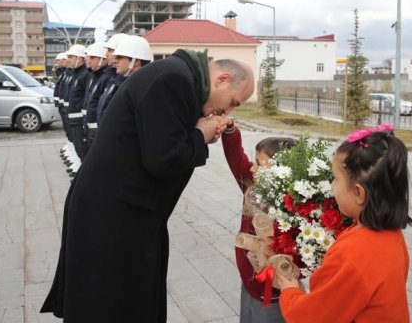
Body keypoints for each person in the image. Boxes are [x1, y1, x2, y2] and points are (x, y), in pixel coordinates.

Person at [41, 49, 255, 321]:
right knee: (111, 304)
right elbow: (163, 159)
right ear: (222, 79)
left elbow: (162, 141)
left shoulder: (178, 75)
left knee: (127, 299)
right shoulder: (174, 80)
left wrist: (197, 134)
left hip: (123, 212)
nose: (228, 111)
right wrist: (199, 135)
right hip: (112, 217)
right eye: (233, 102)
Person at [276, 125, 412, 323]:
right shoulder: (392, 234)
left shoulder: (354, 254)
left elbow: (313, 317)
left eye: (336, 179)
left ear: (359, 193)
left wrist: (290, 292)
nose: (332, 186)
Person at [221, 121, 295, 323]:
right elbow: (238, 161)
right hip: (248, 283)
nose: (252, 169)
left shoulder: (290, 207)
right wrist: (230, 132)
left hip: (272, 292)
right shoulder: (253, 188)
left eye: (260, 164)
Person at [64, 44, 89, 162]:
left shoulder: (85, 75)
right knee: (79, 150)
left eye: (71, 56)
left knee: (84, 152)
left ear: (80, 58)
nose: (68, 59)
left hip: (80, 121)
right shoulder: (77, 74)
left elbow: (87, 99)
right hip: (74, 120)